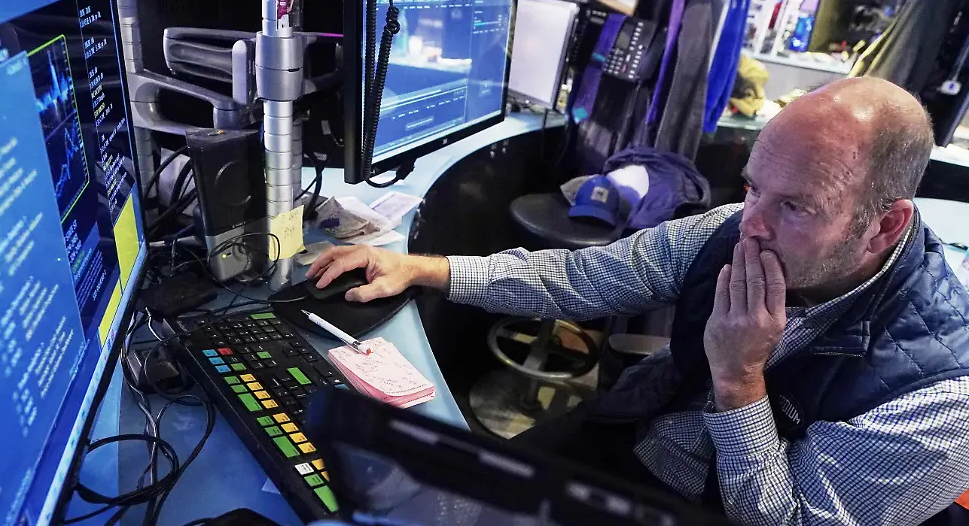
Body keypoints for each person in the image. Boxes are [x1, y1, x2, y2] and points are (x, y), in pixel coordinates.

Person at [307, 77, 969, 525]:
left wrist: (739, 382)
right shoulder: (736, 227)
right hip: (637, 430)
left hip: (711, 507)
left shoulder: (942, 396)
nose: (752, 224)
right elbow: (585, 278)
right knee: (435, 493)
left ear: (884, 226)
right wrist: (424, 267)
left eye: (794, 206)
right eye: (752, 187)